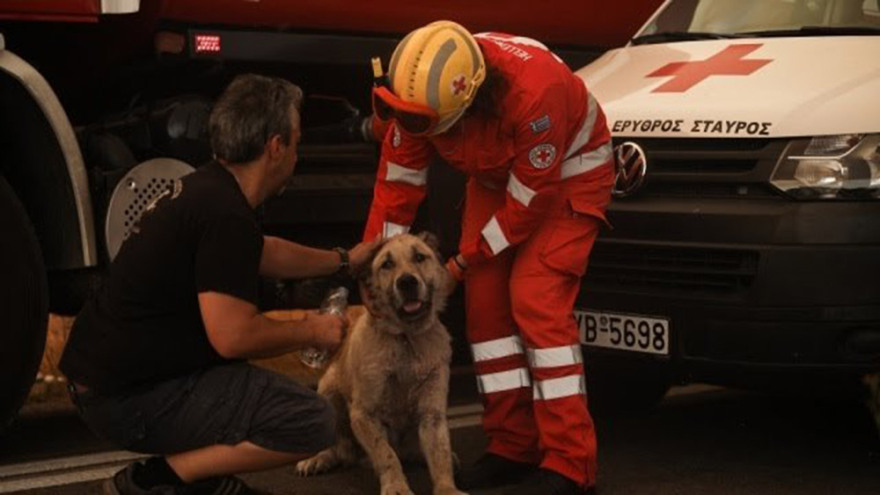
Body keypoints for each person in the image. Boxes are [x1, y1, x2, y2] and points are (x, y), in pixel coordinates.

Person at [59, 74, 379, 495]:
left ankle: (198, 480)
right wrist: (312, 328)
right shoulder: (225, 214)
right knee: (311, 419)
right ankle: (164, 480)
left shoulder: (207, 188)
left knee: (238, 380)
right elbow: (232, 336)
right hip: (124, 402)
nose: (298, 155)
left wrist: (341, 260)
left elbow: (262, 250)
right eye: (297, 142)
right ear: (276, 147)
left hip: (102, 385)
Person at [363, 21, 615, 495]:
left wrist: (461, 261)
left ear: (470, 104)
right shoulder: (422, 97)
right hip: (500, 177)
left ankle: (570, 463)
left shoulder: (536, 97)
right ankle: (512, 445)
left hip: (567, 177)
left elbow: (526, 206)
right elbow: (396, 186)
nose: (418, 131)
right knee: (485, 308)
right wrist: (375, 277)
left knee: (534, 299)